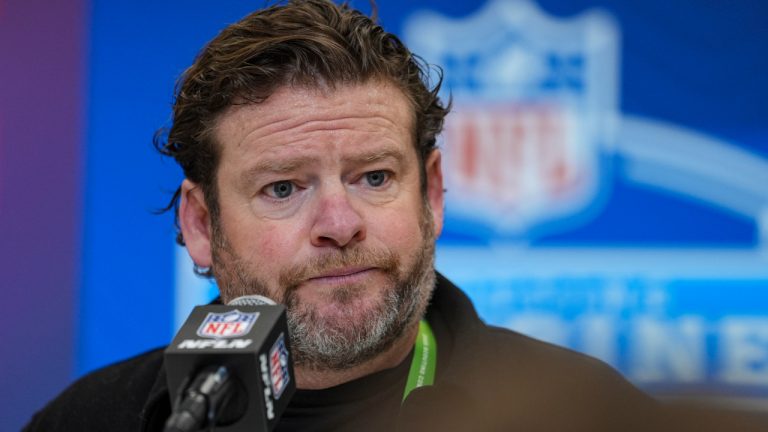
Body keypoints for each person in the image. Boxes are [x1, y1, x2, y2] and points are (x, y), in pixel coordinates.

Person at [23, 1, 767, 431]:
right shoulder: (95, 420)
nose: (340, 223)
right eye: (283, 189)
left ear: (432, 194)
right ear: (200, 226)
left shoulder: (589, 415)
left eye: (374, 177)